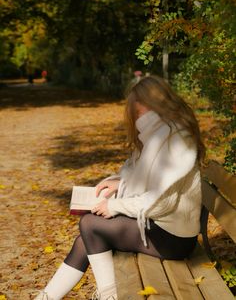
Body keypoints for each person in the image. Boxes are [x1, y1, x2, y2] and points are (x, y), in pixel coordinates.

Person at [34, 75, 205, 300]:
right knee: (85, 240)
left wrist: (115, 206)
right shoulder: (159, 133)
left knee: (91, 225)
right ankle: (45, 298)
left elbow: (161, 201)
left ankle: (110, 296)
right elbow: (146, 179)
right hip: (162, 228)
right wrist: (119, 183)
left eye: (138, 109)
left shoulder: (175, 140)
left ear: (154, 104)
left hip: (173, 238)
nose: (135, 115)